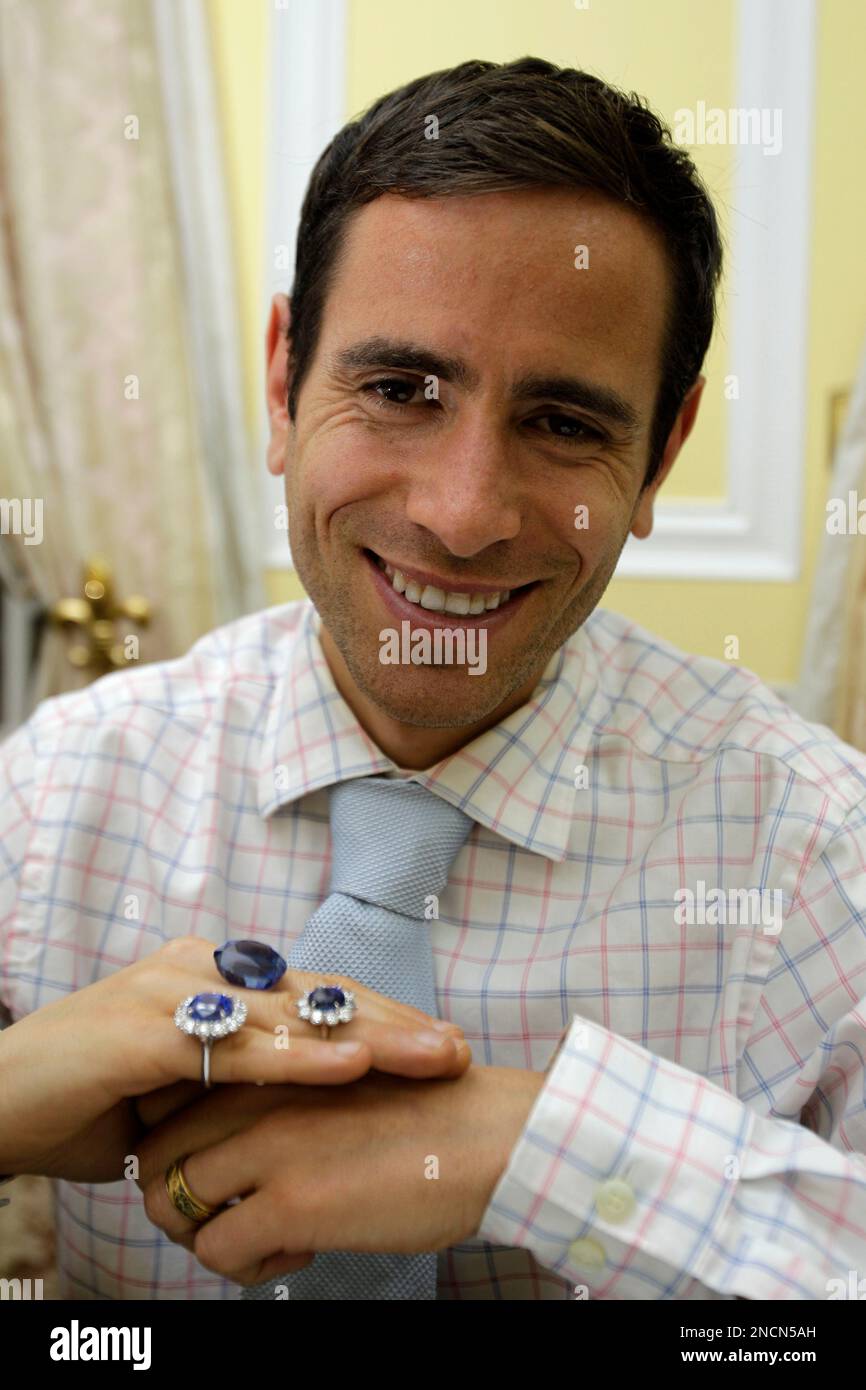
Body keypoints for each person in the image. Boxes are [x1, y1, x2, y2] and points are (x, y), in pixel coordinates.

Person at [2, 56, 865, 1301]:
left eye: (565, 422)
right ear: (281, 380)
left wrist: (545, 1150)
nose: (462, 517)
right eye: (400, 389)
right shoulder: (55, 794)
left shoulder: (814, 852)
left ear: (661, 453)